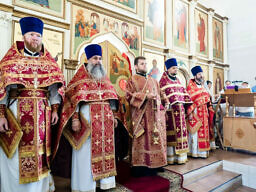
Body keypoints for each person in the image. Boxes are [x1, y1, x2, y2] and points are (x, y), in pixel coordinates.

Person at [0, 17, 65, 192]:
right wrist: (1, 115)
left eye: (38, 35)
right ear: (24, 36)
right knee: (15, 154)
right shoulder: (10, 60)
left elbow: (54, 90)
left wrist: (55, 110)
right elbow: (2, 90)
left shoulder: (49, 62)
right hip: (16, 112)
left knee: (40, 154)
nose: (35, 38)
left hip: (43, 116)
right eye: (31, 34)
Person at [58, 44, 121, 191]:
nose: (98, 61)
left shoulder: (103, 76)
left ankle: (104, 183)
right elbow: (72, 99)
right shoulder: (80, 77)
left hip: (105, 122)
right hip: (87, 122)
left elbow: (112, 98)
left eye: (99, 58)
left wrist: (114, 116)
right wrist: (75, 119)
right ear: (87, 59)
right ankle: (85, 186)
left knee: (106, 151)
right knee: (85, 154)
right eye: (95, 58)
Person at [126, 56, 167, 176]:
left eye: (145, 63)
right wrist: (144, 96)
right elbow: (128, 96)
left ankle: (157, 163)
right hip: (141, 116)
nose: (145, 65)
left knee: (156, 139)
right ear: (136, 66)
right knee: (142, 140)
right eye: (142, 64)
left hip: (155, 116)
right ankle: (140, 166)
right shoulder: (132, 80)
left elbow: (160, 93)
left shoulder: (153, 80)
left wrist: (165, 101)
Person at [159, 58, 192, 164]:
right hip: (170, 112)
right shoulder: (163, 80)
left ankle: (181, 158)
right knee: (172, 135)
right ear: (168, 69)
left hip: (180, 111)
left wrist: (187, 108)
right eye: (173, 68)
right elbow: (161, 96)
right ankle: (171, 158)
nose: (175, 70)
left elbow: (184, 93)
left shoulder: (178, 80)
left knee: (181, 133)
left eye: (176, 68)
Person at [186, 66, 213, 158]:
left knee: (204, 131)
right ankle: (194, 152)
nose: (201, 76)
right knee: (195, 133)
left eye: (202, 74)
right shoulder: (190, 87)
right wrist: (189, 112)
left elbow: (208, 98)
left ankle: (202, 152)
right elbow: (189, 100)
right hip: (195, 112)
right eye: (199, 74)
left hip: (204, 112)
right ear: (195, 76)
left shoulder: (203, 86)